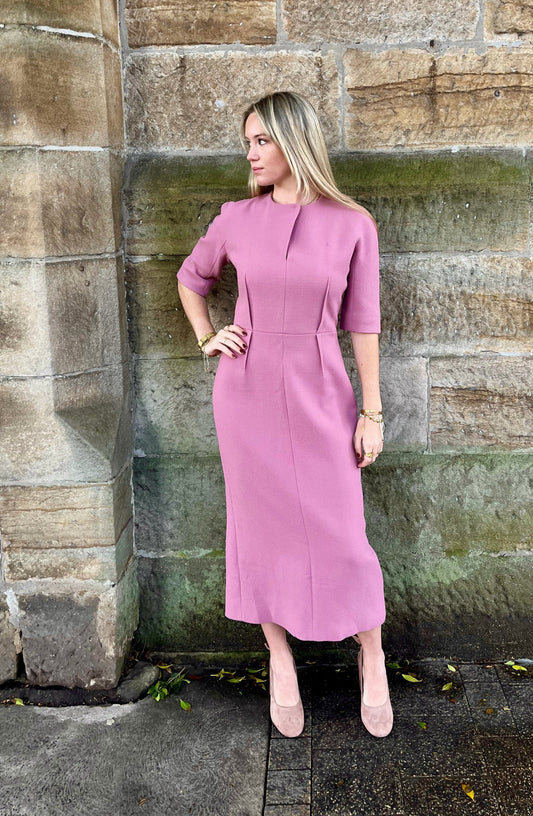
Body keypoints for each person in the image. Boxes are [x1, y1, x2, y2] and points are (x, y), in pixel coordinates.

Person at [176, 91, 393, 739]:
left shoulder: (352, 224)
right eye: (247, 141)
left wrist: (372, 411)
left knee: (342, 533)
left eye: (261, 141)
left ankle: (371, 654)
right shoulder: (236, 218)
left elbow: (363, 324)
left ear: (293, 142)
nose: (249, 153)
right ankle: (279, 657)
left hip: (324, 390)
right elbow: (191, 278)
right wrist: (207, 335)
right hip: (246, 395)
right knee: (259, 528)